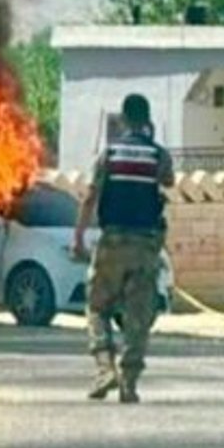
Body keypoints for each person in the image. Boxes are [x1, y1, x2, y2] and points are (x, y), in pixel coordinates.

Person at [73, 94, 175, 403]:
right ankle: (129, 382)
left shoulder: (110, 153)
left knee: (97, 306)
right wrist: (152, 140)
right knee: (138, 315)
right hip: (145, 246)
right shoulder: (158, 155)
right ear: (146, 119)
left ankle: (105, 369)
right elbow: (168, 182)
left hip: (112, 242)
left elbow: (91, 196)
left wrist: (78, 237)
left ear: (124, 119)